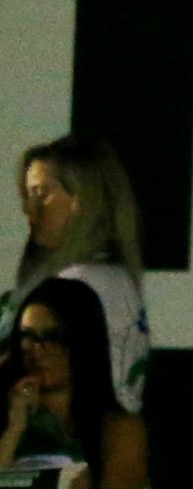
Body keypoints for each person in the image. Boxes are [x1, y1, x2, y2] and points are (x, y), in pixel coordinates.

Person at [0, 278, 148, 489]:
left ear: (82, 340)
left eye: (53, 338)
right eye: (28, 336)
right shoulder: (9, 422)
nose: (37, 349)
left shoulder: (119, 428)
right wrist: (16, 424)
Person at [13, 134, 150, 413]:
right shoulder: (113, 279)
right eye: (28, 195)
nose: (29, 209)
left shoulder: (79, 285)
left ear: (83, 199)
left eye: (41, 194)